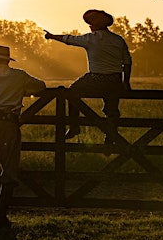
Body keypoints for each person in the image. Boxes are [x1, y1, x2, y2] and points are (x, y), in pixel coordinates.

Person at [0, 45, 46, 228]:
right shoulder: (19, 76)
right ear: (7, 60)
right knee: (9, 168)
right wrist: (22, 91)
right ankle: (0, 215)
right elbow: (41, 87)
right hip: (8, 124)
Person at [44, 9, 132, 144]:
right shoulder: (118, 40)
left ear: (95, 26)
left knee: (72, 92)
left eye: (90, 24)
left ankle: (74, 126)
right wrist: (125, 82)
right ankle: (111, 136)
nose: (90, 27)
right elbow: (127, 62)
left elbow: (69, 39)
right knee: (112, 110)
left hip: (96, 78)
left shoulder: (91, 39)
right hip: (115, 80)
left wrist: (51, 36)